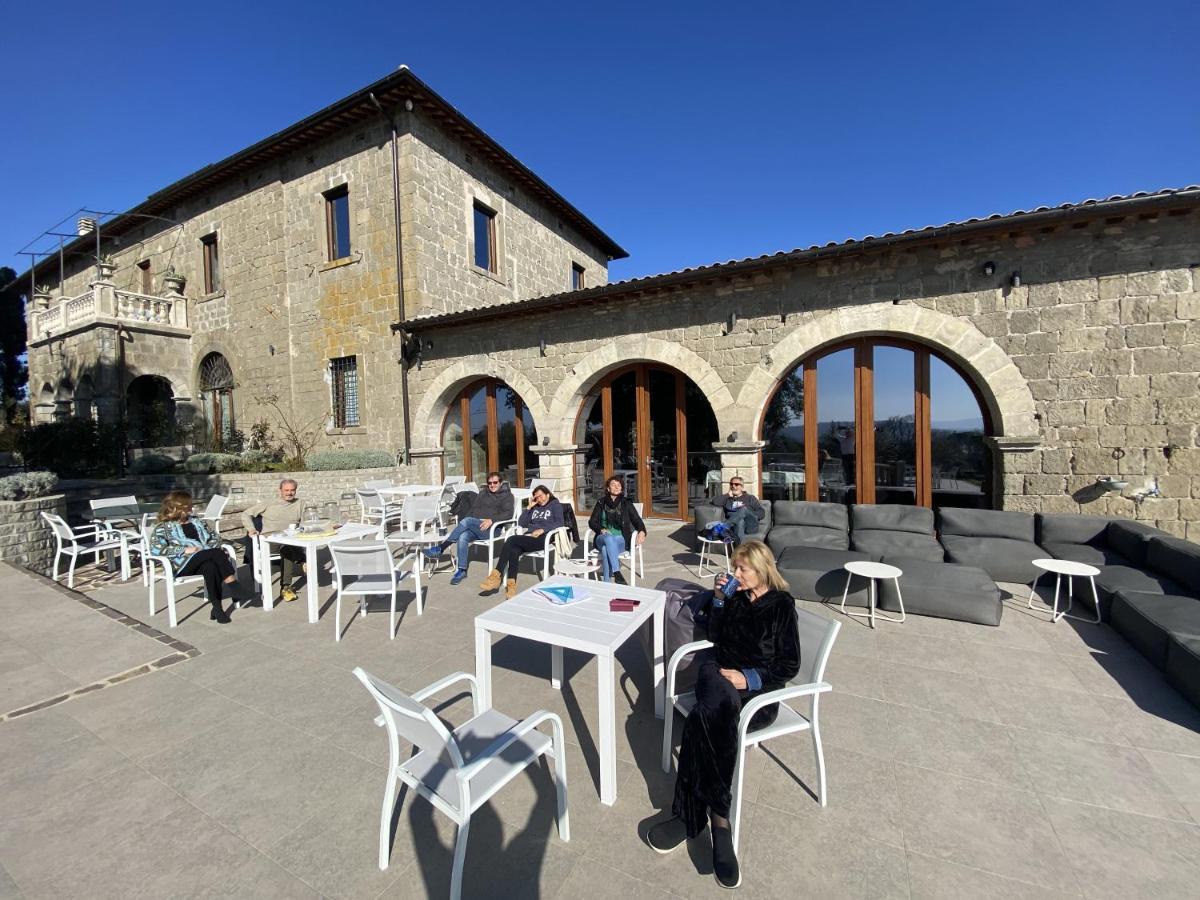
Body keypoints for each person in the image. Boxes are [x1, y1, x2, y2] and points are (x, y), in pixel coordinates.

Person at [647, 540, 800, 889]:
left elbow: (789, 664)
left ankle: (689, 816)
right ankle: (721, 827)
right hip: (716, 673)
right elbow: (715, 636)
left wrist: (748, 677)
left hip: (756, 693)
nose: (735, 574)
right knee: (716, 707)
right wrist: (719, 598)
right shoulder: (735, 597)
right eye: (734, 569)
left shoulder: (781, 606)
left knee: (706, 720)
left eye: (741, 569)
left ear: (761, 570)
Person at [148, 490, 239, 624]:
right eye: (189, 505)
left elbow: (216, 538)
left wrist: (209, 547)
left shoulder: (197, 522)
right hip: (182, 564)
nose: (192, 508)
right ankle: (234, 585)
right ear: (178, 508)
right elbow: (156, 550)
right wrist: (183, 549)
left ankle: (217, 609)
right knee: (216, 553)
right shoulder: (163, 527)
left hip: (204, 559)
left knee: (211, 567)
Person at [422, 472, 514, 584]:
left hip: (493, 529)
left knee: (467, 521)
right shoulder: (483, 493)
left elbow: (509, 514)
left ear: (500, 483)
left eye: (495, 482)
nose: (492, 485)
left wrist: (491, 520)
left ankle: (441, 548)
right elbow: (473, 509)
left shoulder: (507, 496)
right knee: (463, 535)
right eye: (490, 483)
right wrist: (464, 525)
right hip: (477, 525)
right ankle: (462, 570)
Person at [479, 485, 563, 598]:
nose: (539, 499)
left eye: (541, 496)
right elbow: (521, 523)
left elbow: (560, 522)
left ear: (547, 494)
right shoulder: (535, 507)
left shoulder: (555, 505)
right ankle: (511, 585)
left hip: (544, 538)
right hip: (529, 537)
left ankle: (496, 575)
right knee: (514, 550)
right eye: (536, 497)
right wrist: (529, 507)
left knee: (511, 539)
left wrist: (543, 529)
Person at [240, 478, 305, 603]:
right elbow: (246, 514)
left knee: (288, 547)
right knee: (287, 547)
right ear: (280, 490)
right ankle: (300, 564)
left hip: (291, 539)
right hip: (270, 540)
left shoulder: (301, 503)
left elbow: (305, 521)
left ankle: (286, 587)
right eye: (286, 490)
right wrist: (251, 529)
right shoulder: (269, 503)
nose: (289, 493)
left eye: (292, 490)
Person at [588, 475, 646, 582]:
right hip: (602, 538)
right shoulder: (601, 503)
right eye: (613, 485)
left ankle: (607, 581)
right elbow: (592, 522)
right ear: (608, 489)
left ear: (622, 489)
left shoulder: (626, 503)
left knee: (606, 549)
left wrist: (642, 531)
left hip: (620, 539)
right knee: (608, 538)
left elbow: (637, 520)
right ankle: (616, 571)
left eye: (619, 485)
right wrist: (601, 529)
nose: (616, 487)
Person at [714, 477, 765, 545]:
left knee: (743, 509)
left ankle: (724, 526)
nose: (733, 486)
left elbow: (762, 513)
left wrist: (747, 514)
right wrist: (728, 495)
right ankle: (739, 550)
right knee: (740, 521)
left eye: (736, 484)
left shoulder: (750, 498)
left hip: (750, 526)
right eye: (731, 484)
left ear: (742, 487)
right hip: (735, 526)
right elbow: (715, 502)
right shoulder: (728, 499)